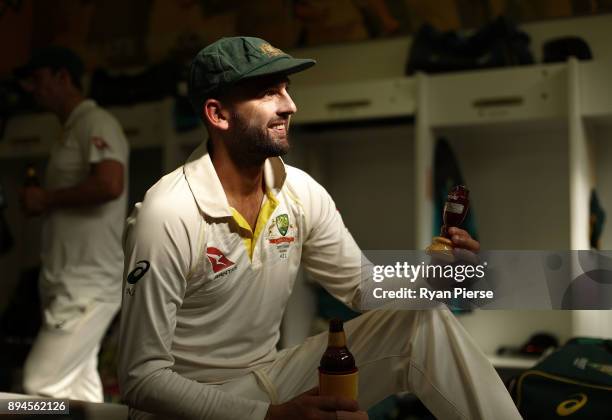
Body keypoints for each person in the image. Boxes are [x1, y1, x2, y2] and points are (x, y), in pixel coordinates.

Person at [118, 36, 521, 419]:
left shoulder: (300, 192)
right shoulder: (168, 213)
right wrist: (267, 417)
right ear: (218, 114)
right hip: (188, 405)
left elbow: (362, 286)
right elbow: (141, 379)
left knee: (421, 319)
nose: (289, 105)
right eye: (267, 93)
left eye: (286, 89)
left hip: (268, 377)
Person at [16, 46, 129, 402]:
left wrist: (46, 198)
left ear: (63, 77)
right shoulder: (67, 131)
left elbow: (111, 184)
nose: (32, 89)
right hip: (67, 282)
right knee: (80, 393)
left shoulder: (96, 122)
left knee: (35, 390)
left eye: (38, 79)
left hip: (87, 285)